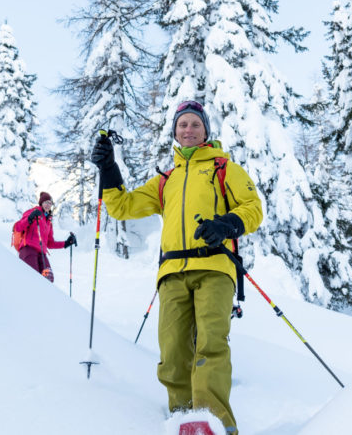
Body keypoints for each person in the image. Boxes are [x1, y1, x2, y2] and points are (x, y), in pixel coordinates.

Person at [90, 101, 263, 435]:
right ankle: (183, 420)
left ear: (206, 132)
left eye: (195, 124)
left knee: (210, 343)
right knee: (172, 352)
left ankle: (213, 421)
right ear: (175, 132)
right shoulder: (165, 180)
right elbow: (123, 206)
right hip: (172, 274)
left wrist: (226, 225)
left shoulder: (223, 168)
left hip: (214, 267)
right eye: (182, 124)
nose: (188, 130)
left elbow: (253, 207)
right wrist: (109, 169)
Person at [14, 192, 77, 282]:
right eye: (46, 202)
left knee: (48, 278)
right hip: (28, 249)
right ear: (41, 203)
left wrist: (66, 243)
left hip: (41, 254)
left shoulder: (49, 221)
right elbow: (18, 227)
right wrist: (30, 218)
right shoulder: (33, 212)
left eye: (50, 203)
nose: (48, 205)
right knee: (33, 278)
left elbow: (50, 243)